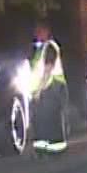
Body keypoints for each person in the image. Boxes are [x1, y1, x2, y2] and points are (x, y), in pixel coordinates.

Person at [25, 19, 67, 155]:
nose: (36, 34)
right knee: (42, 119)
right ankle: (42, 147)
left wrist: (39, 89)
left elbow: (48, 69)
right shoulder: (41, 49)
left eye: (39, 31)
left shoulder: (50, 47)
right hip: (44, 88)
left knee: (51, 118)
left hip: (52, 87)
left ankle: (55, 148)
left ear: (46, 32)